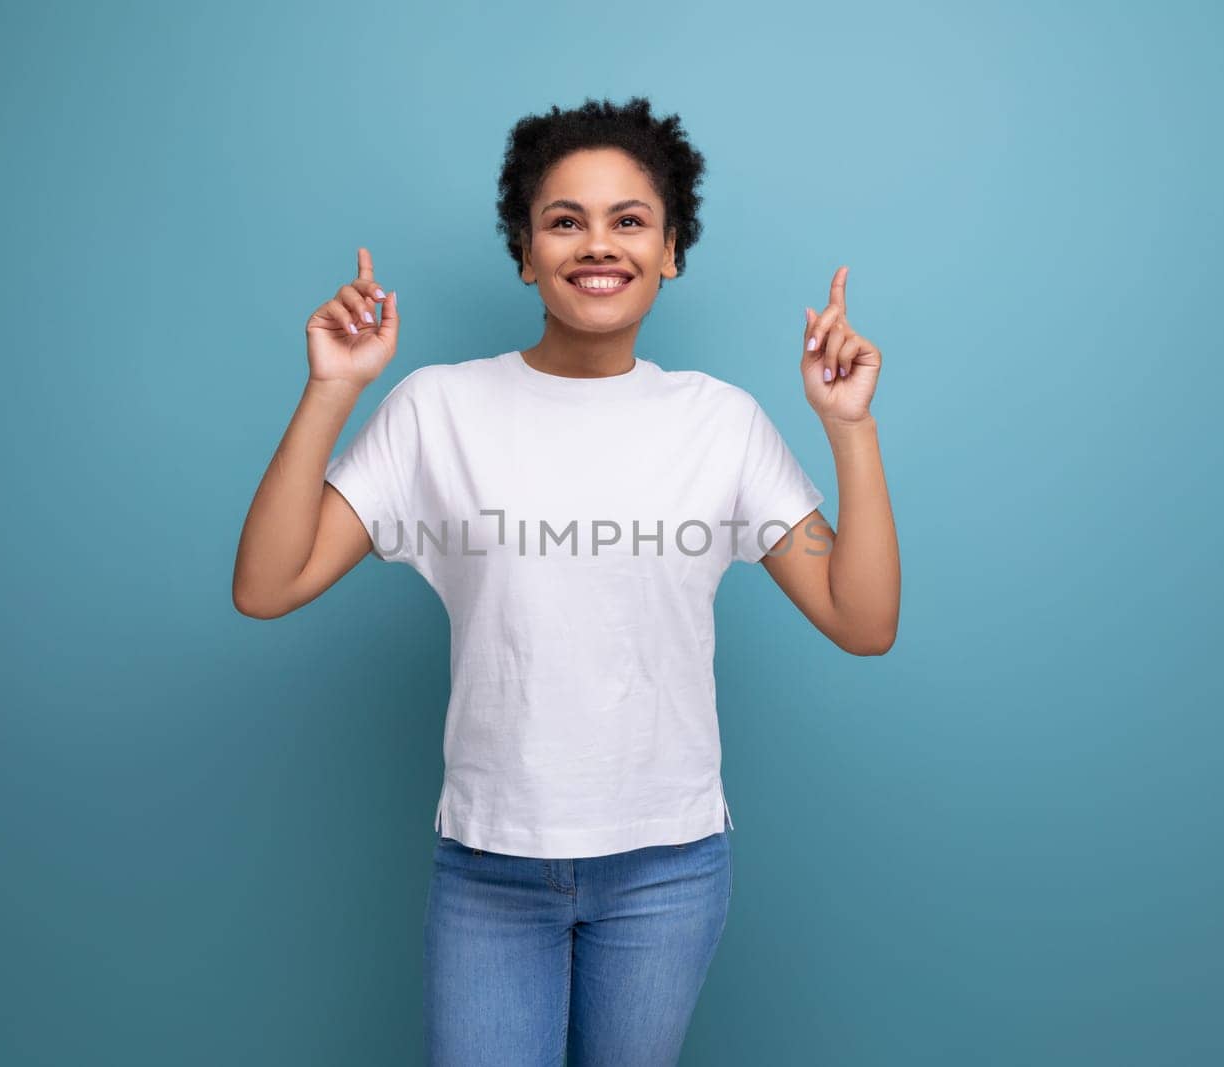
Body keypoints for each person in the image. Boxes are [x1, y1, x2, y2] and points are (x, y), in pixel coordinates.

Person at [232, 96, 900, 1066]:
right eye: (564, 219)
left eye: (630, 219)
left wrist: (850, 428)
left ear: (670, 249)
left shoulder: (718, 422)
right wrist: (333, 386)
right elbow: (267, 582)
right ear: (524, 251)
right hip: (490, 866)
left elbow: (861, 616)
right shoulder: (439, 410)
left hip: (666, 865)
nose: (599, 243)